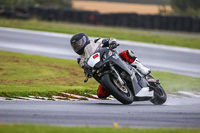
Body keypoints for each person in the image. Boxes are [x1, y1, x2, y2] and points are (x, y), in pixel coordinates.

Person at [70, 33, 150, 99]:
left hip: (112, 58)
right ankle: (118, 90)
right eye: (75, 46)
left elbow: (109, 40)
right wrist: (88, 72)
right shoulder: (80, 59)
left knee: (126, 53)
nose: (78, 47)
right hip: (102, 69)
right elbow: (85, 68)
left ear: (84, 40)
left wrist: (112, 42)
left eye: (79, 43)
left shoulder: (96, 41)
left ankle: (142, 69)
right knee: (100, 94)